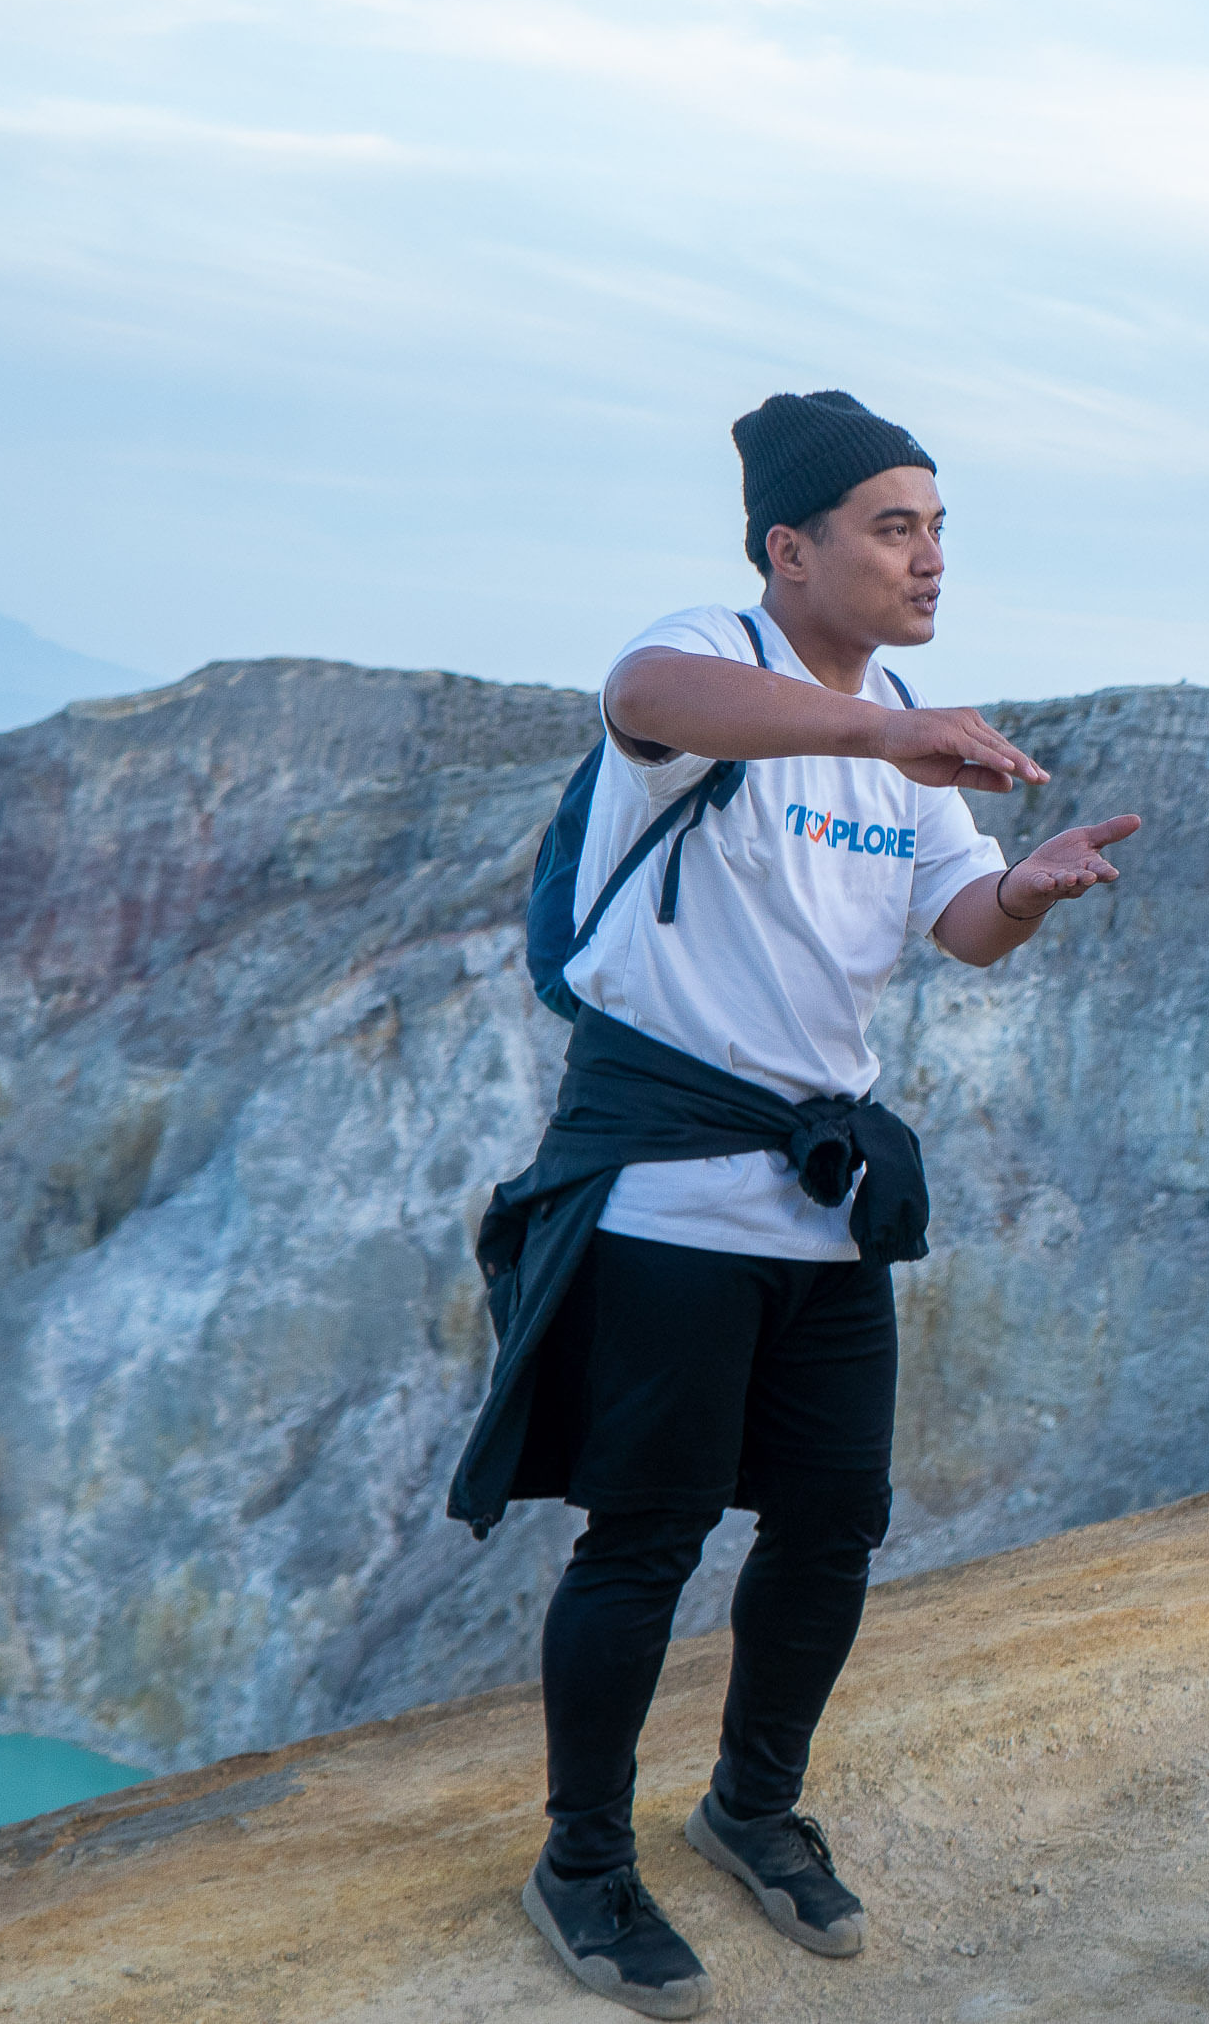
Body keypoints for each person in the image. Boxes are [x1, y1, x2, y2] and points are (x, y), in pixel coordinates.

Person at [446, 390, 1141, 2020]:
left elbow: (953, 921)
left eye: (938, 526)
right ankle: (582, 1865)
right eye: (894, 526)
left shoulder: (901, 719)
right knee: (646, 1539)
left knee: (833, 1521)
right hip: (670, 1203)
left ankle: (749, 1806)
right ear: (789, 548)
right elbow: (644, 695)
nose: (929, 558)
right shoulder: (713, 662)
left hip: (820, 1204)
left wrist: (1019, 897)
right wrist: (884, 734)